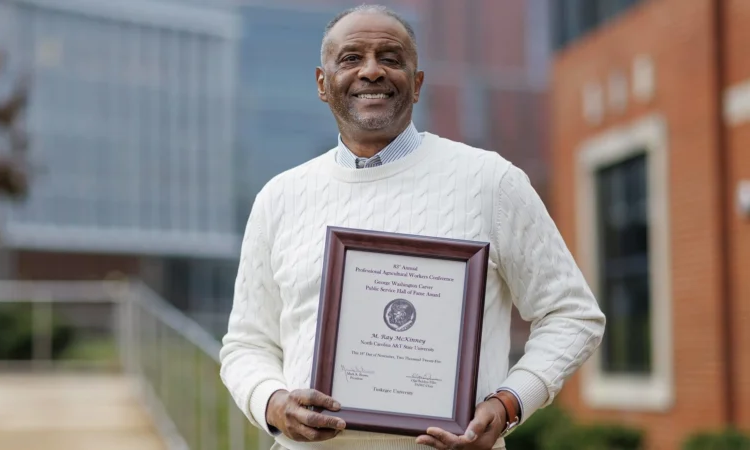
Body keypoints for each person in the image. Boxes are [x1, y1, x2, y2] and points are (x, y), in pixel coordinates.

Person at [219, 5, 606, 450]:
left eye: (390, 57)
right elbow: (246, 344)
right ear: (322, 84)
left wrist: (508, 403)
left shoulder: (491, 182)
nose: (371, 71)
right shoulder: (279, 198)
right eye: (351, 58)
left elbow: (572, 315)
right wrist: (271, 403)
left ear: (417, 83)